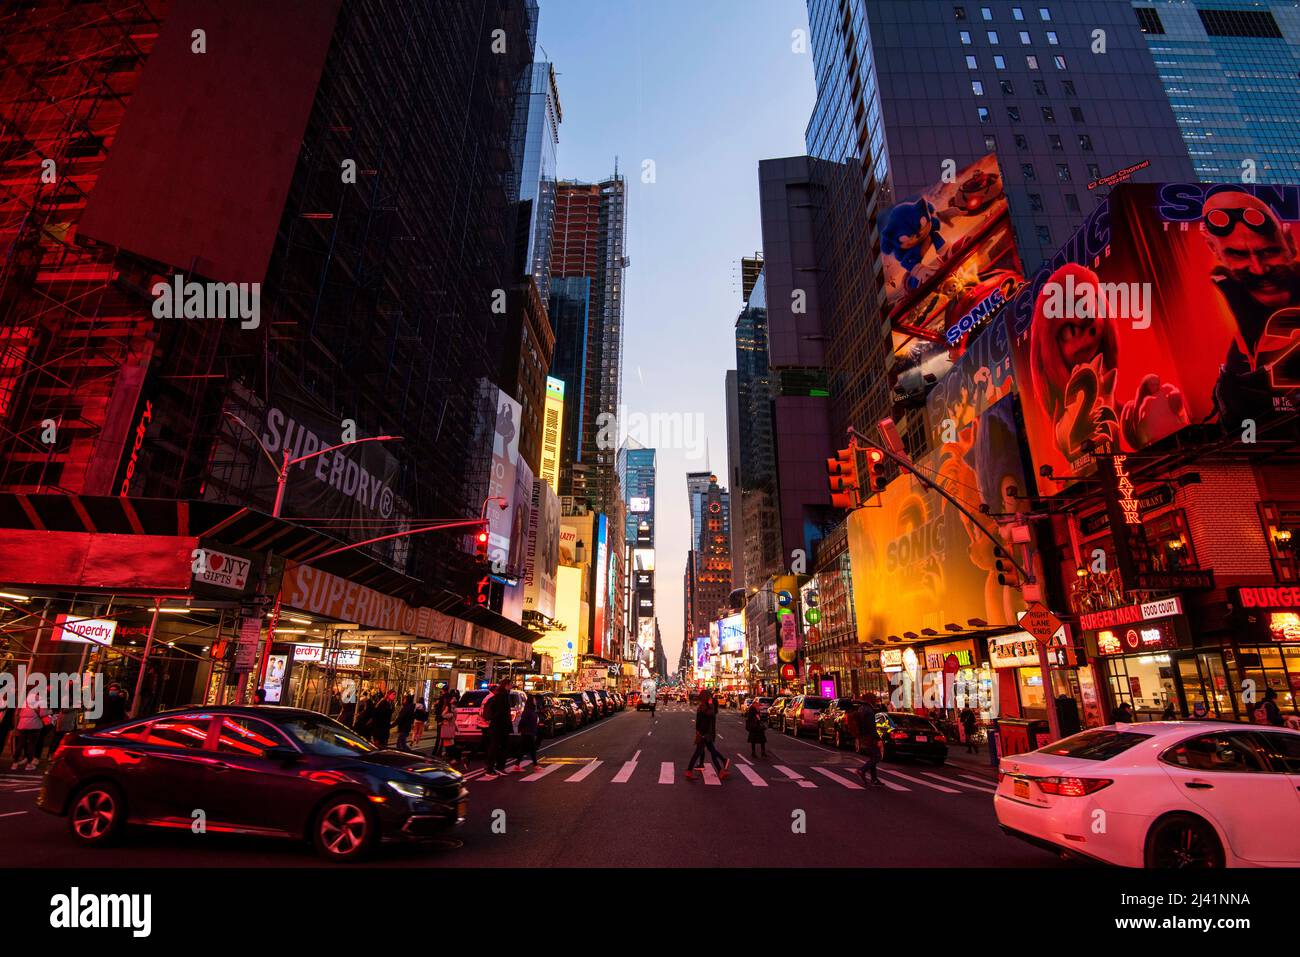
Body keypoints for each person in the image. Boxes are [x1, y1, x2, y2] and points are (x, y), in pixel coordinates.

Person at [1200, 191, 1300, 426]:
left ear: (1290, 243)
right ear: (1213, 250)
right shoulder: (1239, 355)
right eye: (1238, 254)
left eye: (1269, 251)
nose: (1258, 269)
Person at [684, 690, 730, 781]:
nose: (710, 698)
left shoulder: (702, 706)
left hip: (704, 734)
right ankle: (689, 771)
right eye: (709, 696)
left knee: (711, 751)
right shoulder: (705, 707)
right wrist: (711, 704)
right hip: (705, 734)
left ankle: (721, 770)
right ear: (706, 697)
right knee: (699, 753)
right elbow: (711, 714)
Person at [482, 680, 514, 780]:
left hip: (498, 725)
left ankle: (498, 767)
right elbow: (500, 712)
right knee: (496, 747)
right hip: (499, 725)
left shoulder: (500, 695)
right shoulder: (502, 696)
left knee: (501, 747)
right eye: (510, 684)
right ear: (506, 685)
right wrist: (505, 722)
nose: (512, 686)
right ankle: (490, 769)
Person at [12, 688, 50, 771]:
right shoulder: (41, 700)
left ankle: (14, 763)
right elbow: (43, 713)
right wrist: (50, 712)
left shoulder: (25, 700)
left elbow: (18, 712)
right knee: (31, 745)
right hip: (34, 725)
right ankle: (29, 764)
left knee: (20, 744)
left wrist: (16, 726)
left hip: (22, 724)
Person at [853, 695, 885, 787]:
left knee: (873, 757)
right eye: (874, 699)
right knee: (877, 757)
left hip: (864, 736)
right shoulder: (869, 711)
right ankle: (862, 770)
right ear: (870, 700)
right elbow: (871, 727)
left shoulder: (862, 708)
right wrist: (878, 738)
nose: (876, 700)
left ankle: (874, 779)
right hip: (870, 737)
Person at [511, 695, 540, 772]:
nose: (535, 701)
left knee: (524, 749)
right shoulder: (528, 711)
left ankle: (517, 765)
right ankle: (535, 765)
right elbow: (523, 721)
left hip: (530, 732)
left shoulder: (532, 710)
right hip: (527, 732)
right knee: (531, 749)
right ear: (531, 702)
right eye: (534, 700)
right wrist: (520, 730)